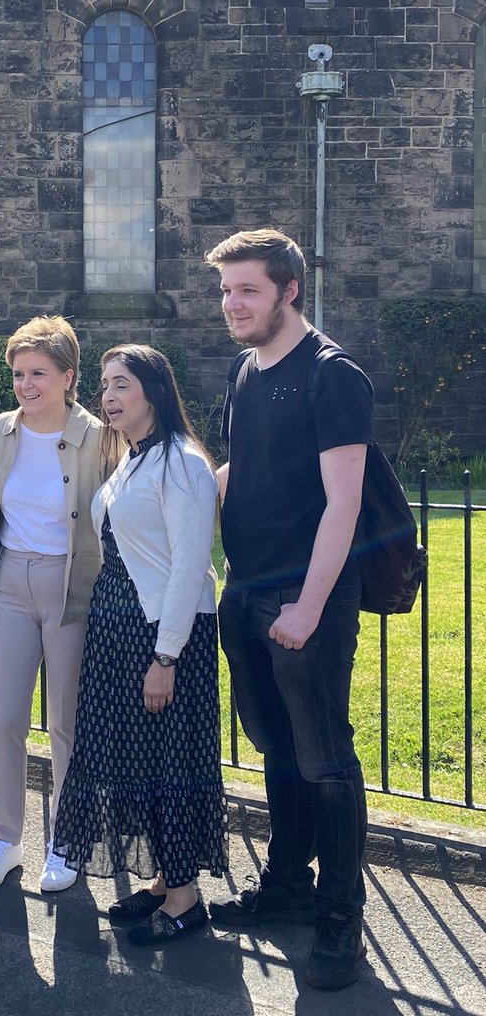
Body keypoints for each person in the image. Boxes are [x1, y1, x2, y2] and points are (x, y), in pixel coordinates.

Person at [204, 229, 373, 989]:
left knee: (325, 760)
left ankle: (340, 919)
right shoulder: (245, 369)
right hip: (245, 590)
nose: (232, 304)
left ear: (289, 290)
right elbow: (248, 465)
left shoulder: (332, 376)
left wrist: (307, 606)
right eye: (226, 290)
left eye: (248, 289)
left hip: (306, 599)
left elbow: (344, 502)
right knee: (277, 749)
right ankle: (287, 886)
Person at [53, 345, 227, 944]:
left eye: (122, 384)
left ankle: (185, 900)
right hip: (119, 630)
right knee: (138, 762)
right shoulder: (133, 457)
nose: (109, 396)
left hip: (161, 635)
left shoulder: (183, 463)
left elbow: (189, 568)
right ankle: (163, 881)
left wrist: (165, 657)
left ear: (154, 390)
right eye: (105, 385)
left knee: (169, 762)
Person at [0, 315, 103, 893]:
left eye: (38, 373)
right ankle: (5, 840)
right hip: (9, 585)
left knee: (65, 722)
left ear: (68, 376)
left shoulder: (99, 436)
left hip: (70, 585)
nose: (25, 385)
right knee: (5, 720)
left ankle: (67, 840)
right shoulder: (3, 430)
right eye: (19, 373)